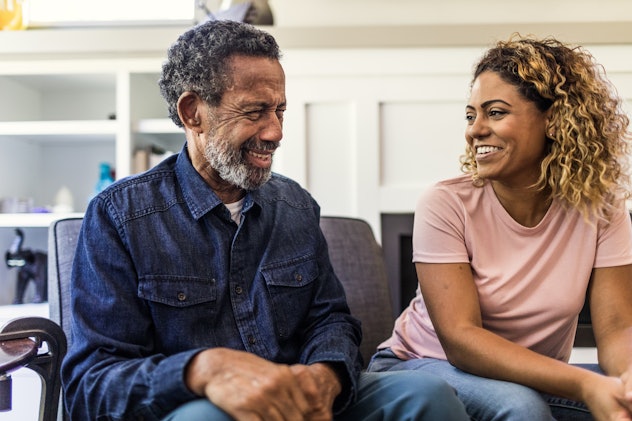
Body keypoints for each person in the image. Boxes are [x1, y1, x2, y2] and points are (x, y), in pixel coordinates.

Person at [60, 19, 469, 421]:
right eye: (255, 112)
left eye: (280, 111)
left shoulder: (296, 206)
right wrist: (202, 371)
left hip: (300, 405)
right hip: (197, 408)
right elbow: (91, 385)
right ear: (193, 112)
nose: (275, 132)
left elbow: (330, 320)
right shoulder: (121, 216)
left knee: (427, 396)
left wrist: (325, 375)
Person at [368, 35, 632, 421]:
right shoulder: (446, 203)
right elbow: (461, 340)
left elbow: (617, 328)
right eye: (471, 115)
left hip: (529, 377)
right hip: (421, 366)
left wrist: (626, 378)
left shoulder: (602, 210)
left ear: (555, 121)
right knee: (521, 407)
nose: (475, 130)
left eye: (495, 112)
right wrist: (582, 383)